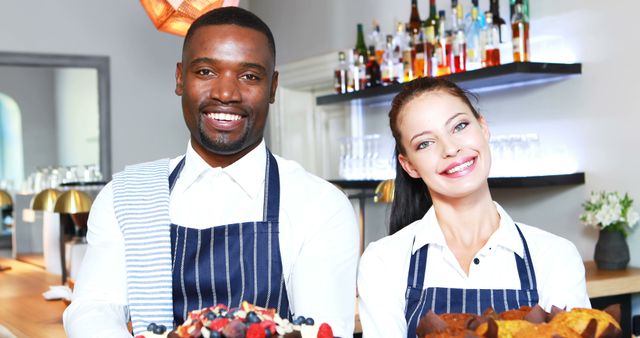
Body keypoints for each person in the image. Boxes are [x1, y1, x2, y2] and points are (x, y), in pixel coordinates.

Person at [63, 7, 359, 337]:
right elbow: (93, 309)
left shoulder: (320, 205)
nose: (226, 93)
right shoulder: (128, 196)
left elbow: (320, 330)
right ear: (180, 78)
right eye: (205, 71)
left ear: (273, 87)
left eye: (249, 76)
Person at [356, 77, 590, 338]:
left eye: (459, 126)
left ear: (483, 128)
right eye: (425, 143)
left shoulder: (554, 256)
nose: (451, 149)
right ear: (409, 165)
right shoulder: (384, 262)